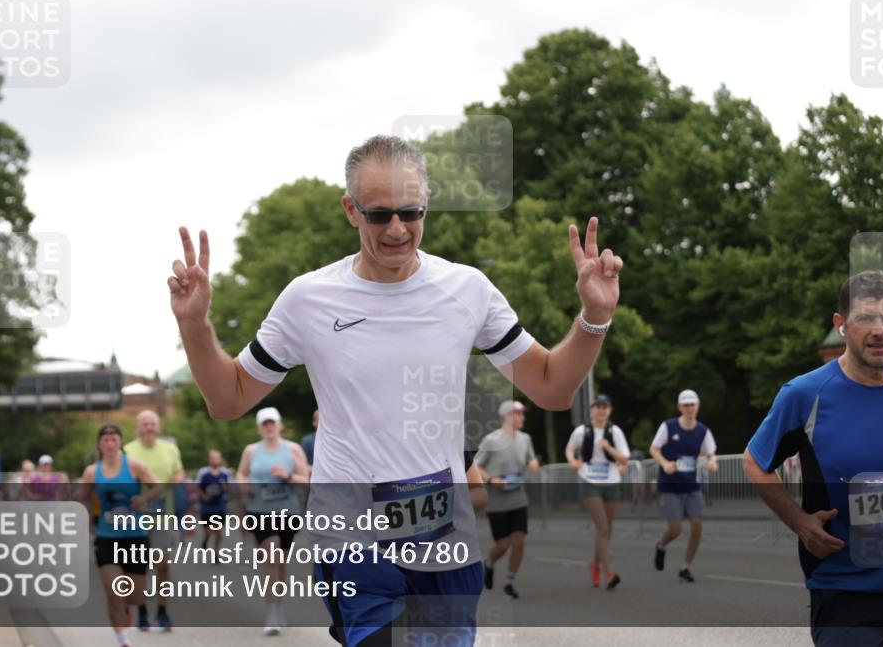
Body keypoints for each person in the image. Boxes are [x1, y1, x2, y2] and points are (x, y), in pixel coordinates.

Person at [167, 134, 622, 646]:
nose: (398, 229)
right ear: (351, 211)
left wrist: (595, 316)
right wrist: (195, 325)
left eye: (411, 212)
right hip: (352, 540)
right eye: (380, 215)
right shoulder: (308, 299)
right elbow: (228, 399)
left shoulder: (468, 290)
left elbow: (552, 387)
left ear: (427, 203)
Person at [743, 271, 883, 645]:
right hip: (844, 593)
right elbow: (755, 462)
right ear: (841, 324)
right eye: (865, 318)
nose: (879, 331)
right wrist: (799, 522)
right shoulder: (805, 395)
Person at [79, 424, 162, 647]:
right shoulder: (91, 472)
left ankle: (126, 608)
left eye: (113, 439)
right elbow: (81, 497)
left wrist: (143, 499)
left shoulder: (134, 465)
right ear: (99, 445)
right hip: (106, 537)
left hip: (135, 536)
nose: (109, 444)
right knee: (112, 590)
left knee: (135, 596)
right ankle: (122, 638)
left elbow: (157, 487)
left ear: (120, 443)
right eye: (105, 440)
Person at [236, 407, 311, 636]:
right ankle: (271, 613)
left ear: (280, 425)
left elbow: (305, 481)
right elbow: (241, 473)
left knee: (281, 563)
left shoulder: (293, 449)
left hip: (288, 512)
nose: (268, 427)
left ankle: (278, 604)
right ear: (259, 428)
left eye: (272, 423)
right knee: (271, 556)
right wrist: (243, 485)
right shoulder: (251, 450)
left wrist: (287, 476)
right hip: (259, 511)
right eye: (264, 424)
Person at [123, 410, 184, 632]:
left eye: (152, 423)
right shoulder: (127, 451)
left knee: (163, 565)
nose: (149, 427)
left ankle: (162, 610)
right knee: (137, 568)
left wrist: (177, 478)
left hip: (162, 516)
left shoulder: (170, 449)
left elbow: (179, 472)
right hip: (135, 518)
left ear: (158, 427)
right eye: (145, 424)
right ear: (137, 428)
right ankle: (141, 611)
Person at [649, 389, 718, 582]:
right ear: (680, 407)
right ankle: (661, 545)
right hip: (670, 485)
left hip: (691, 485)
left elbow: (710, 454)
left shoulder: (703, 431)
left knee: (697, 525)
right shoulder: (668, 426)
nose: (689, 408)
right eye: (686, 405)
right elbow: (653, 449)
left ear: (698, 406)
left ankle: (685, 566)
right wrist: (664, 464)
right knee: (676, 530)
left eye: (692, 405)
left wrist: (712, 463)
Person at [475, 400, 539, 599]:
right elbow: (476, 466)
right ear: (507, 417)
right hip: (497, 501)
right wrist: (491, 479)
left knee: (519, 540)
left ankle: (510, 581)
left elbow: (531, 460)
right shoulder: (491, 441)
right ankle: (489, 563)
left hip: (518, 498)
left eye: (522, 414)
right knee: (503, 544)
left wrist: (534, 464)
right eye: (518, 414)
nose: (522, 418)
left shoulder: (525, 439)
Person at [565, 394, 630, 589]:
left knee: (607, 529)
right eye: (598, 406)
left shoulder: (615, 431)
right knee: (602, 528)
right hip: (590, 481)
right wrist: (573, 461)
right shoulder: (582, 431)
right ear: (591, 409)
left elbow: (624, 459)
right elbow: (569, 449)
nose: (601, 410)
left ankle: (594, 563)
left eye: (604, 407)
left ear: (609, 410)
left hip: (611, 482)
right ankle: (609, 573)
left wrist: (609, 448)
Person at [196, 449, 231, 553]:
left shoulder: (225, 473)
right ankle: (206, 539)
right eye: (213, 458)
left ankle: (216, 553)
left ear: (220, 459)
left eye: (217, 458)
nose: (215, 460)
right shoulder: (203, 473)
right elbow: (197, 487)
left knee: (219, 533)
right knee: (208, 530)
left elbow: (231, 488)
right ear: (209, 459)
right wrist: (203, 496)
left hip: (219, 506)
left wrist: (226, 488)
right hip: (206, 507)